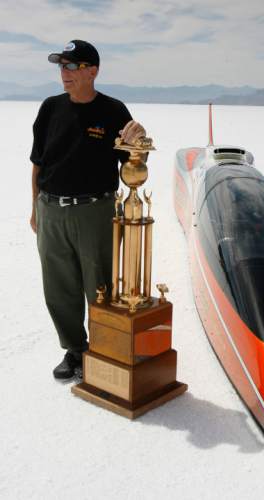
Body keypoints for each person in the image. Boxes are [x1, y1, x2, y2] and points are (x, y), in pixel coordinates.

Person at [30, 40, 147, 380]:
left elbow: (132, 169)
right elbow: (38, 163)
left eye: (71, 66)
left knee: (100, 285)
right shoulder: (50, 108)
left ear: (92, 71)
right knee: (58, 286)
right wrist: (35, 208)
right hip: (51, 209)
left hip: (95, 212)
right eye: (61, 66)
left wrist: (138, 147)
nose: (63, 73)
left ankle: (104, 348)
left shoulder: (113, 111)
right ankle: (75, 350)